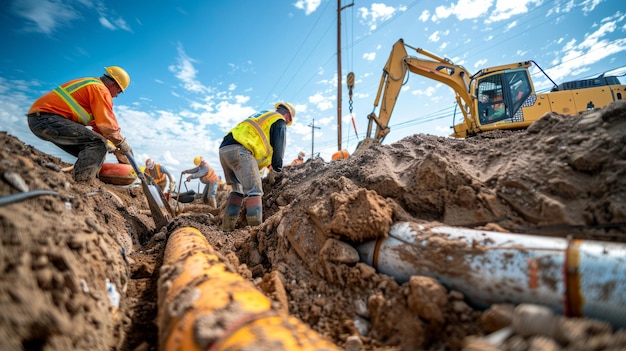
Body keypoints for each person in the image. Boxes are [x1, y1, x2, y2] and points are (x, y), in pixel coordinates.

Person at [27, 66, 132, 182]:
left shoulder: (92, 86)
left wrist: (113, 148)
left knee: (97, 150)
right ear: (113, 85)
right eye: (119, 92)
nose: (117, 95)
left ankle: (90, 180)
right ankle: (83, 183)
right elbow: (107, 126)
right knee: (97, 145)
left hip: (41, 120)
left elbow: (100, 129)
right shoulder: (100, 90)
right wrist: (122, 144)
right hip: (46, 119)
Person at [218, 102, 295, 231]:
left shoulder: (263, 116)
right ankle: (255, 232)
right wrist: (277, 170)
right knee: (255, 191)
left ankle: (226, 229)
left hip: (225, 150)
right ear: (287, 116)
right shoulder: (279, 121)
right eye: (288, 121)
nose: (286, 123)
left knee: (238, 191)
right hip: (240, 150)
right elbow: (279, 148)